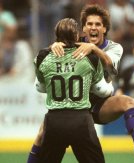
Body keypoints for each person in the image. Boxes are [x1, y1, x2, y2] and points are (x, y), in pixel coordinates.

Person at [28, 5, 134, 163]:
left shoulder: (115, 47)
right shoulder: (74, 43)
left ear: (105, 28)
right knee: (41, 133)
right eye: (89, 24)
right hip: (75, 108)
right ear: (84, 29)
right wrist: (54, 46)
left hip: (99, 105)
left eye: (98, 24)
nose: (93, 27)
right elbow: (52, 57)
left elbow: (109, 64)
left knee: (128, 102)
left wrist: (94, 49)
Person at [33, 18, 115, 163]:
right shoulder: (90, 57)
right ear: (77, 35)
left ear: (56, 36)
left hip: (54, 121)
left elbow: (40, 86)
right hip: (81, 121)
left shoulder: (43, 56)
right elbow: (102, 91)